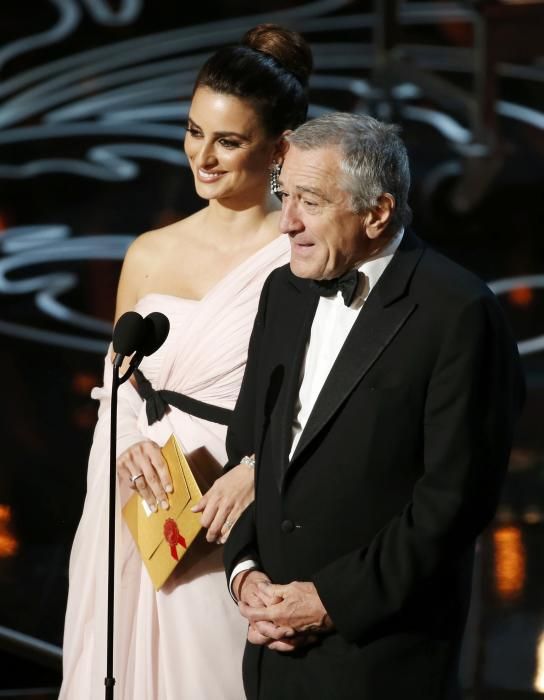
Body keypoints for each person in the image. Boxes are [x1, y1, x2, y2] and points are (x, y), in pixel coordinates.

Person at [224, 112, 525, 700]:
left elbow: (453, 502)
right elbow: (249, 451)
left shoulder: (457, 311)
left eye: (309, 200)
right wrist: (245, 571)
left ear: (377, 212)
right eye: (283, 195)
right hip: (271, 651)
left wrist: (330, 601)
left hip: (381, 656)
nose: (286, 222)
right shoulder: (281, 292)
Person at [60, 24, 313, 700]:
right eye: (195, 131)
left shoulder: (302, 259)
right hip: (142, 503)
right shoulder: (148, 253)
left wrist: (259, 473)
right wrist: (126, 449)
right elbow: (118, 391)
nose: (203, 155)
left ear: (280, 147)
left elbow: (326, 401)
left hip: (232, 515)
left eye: (228, 141)